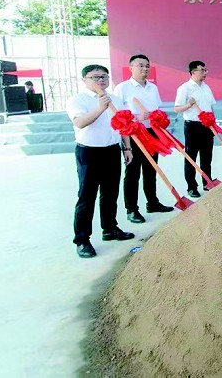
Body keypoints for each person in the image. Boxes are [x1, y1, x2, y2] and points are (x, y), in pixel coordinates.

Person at [66, 64, 135, 258]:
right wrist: (100, 108)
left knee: (110, 193)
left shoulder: (115, 99)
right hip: (89, 152)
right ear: (84, 80)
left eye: (104, 76)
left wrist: (127, 148)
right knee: (87, 196)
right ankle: (82, 240)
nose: (101, 80)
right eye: (95, 77)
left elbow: (123, 124)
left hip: (112, 150)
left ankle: (110, 228)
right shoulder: (77, 100)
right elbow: (80, 122)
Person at [113, 54, 174, 223]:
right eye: (140, 65)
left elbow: (156, 109)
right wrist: (136, 117)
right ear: (131, 68)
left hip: (152, 133)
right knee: (133, 172)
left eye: (147, 66)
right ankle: (132, 209)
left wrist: (158, 118)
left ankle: (152, 203)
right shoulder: (122, 88)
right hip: (134, 134)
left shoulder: (152, 88)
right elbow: (117, 115)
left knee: (151, 169)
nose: (145, 69)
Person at [174, 61, 216, 198]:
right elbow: (176, 109)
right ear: (193, 72)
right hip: (193, 126)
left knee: (207, 157)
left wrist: (213, 122)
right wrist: (188, 105)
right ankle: (191, 187)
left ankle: (207, 182)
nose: (205, 73)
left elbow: (211, 106)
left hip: (207, 126)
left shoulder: (206, 87)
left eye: (205, 70)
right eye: (202, 70)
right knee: (191, 157)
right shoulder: (184, 88)